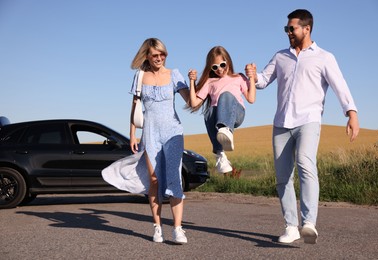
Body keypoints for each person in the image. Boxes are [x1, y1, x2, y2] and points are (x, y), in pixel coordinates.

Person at [245, 9, 359, 244]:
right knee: (282, 176)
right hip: (281, 123)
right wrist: (253, 76)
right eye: (286, 29)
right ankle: (291, 226)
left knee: (305, 164)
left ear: (306, 29)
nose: (288, 32)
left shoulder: (324, 57)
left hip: (308, 120)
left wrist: (351, 113)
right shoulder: (280, 56)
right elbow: (264, 80)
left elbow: (340, 86)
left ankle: (308, 223)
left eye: (292, 28)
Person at [113, 38, 190, 244]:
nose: (159, 58)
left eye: (162, 54)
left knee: (174, 177)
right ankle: (157, 227)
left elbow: (190, 100)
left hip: (173, 132)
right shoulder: (140, 77)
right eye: (155, 55)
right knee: (154, 180)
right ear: (147, 55)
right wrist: (132, 135)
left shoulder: (174, 74)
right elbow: (135, 107)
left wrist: (193, 82)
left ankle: (178, 228)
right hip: (149, 134)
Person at [188, 46, 256, 174]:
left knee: (225, 95)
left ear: (228, 62)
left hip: (236, 113)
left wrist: (251, 77)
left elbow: (251, 99)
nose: (220, 69)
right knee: (208, 111)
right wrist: (192, 82)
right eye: (215, 67)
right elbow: (194, 103)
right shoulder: (210, 82)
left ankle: (226, 130)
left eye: (222, 65)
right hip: (218, 118)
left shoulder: (238, 77)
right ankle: (220, 155)